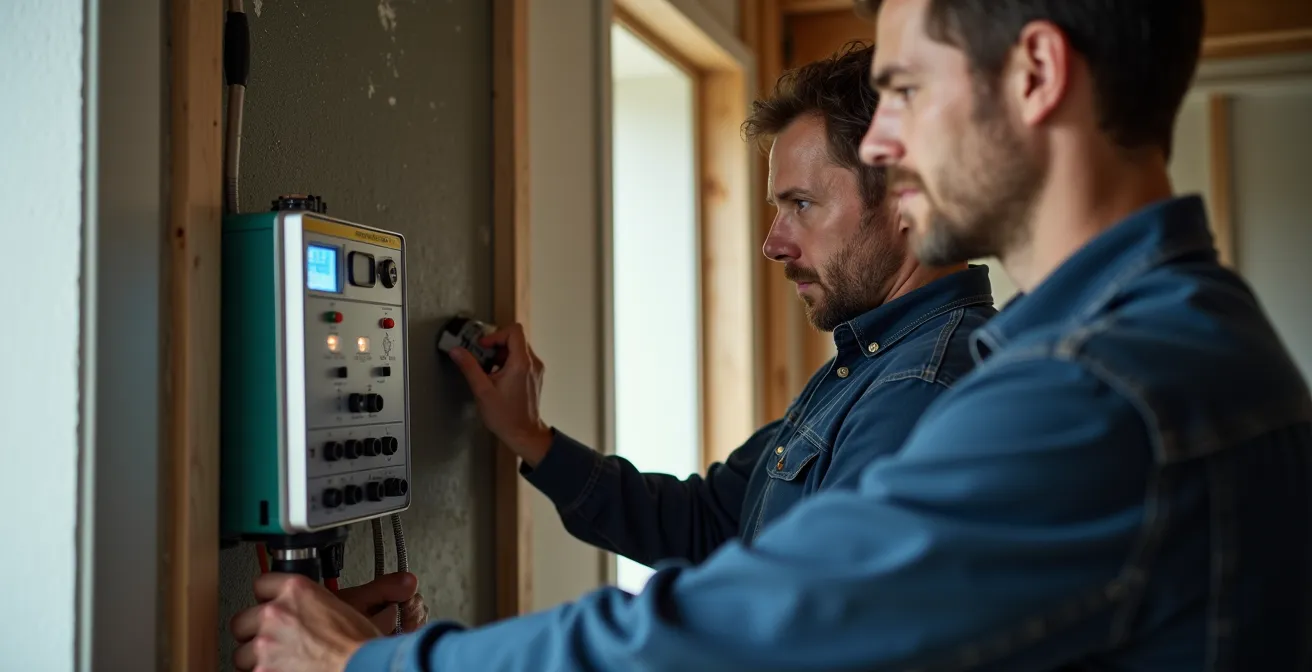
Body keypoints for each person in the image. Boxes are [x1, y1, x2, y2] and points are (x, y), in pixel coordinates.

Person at [229, 0, 1312, 669]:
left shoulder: (1096, 392)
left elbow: (750, 636)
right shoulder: (1135, 343)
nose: (886, 139)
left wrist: (373, 668)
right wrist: (538, 445)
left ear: (1032, 74)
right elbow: (723, 533)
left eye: (903, 89)